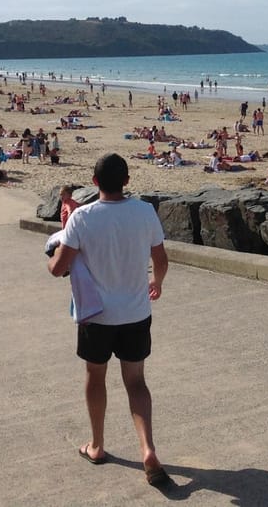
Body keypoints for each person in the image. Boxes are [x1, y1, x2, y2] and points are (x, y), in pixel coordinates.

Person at [47, 154, 171, 488]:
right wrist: (156, 283)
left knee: (95, 377)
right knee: (136, 382)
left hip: (96, 316)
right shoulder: (145, 212)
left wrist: (58, 244)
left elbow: (59, 268)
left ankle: (97, 445)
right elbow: (160, 259)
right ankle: (147, 448)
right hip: (135, 312)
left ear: (95, 181)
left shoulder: (82, 217)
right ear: (127, 181)